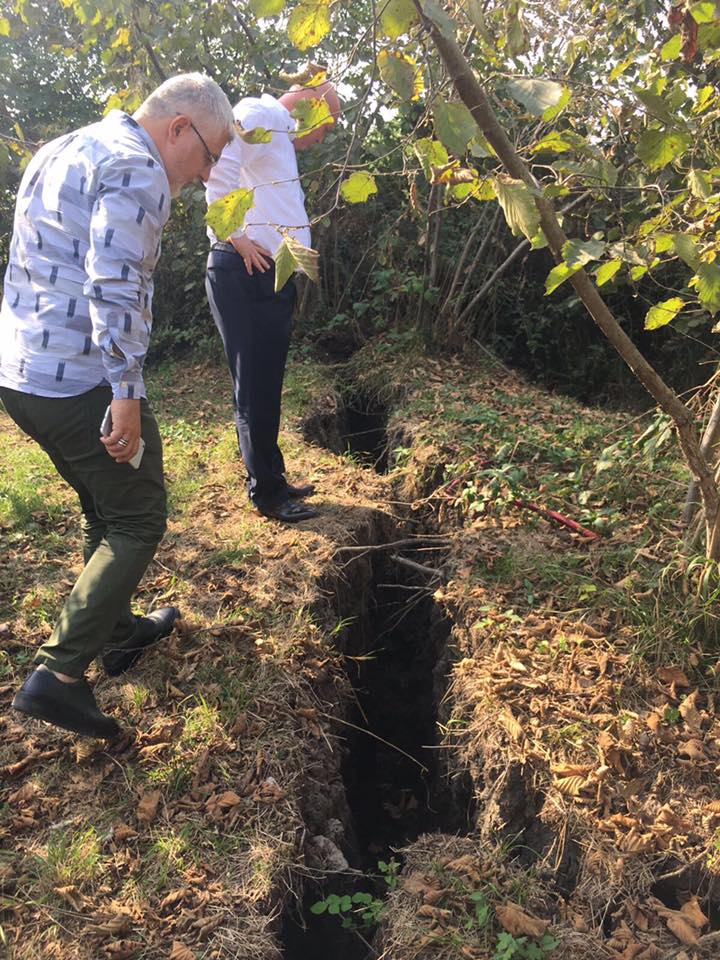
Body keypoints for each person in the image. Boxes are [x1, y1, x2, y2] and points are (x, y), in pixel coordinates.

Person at [0, 73, 235, 739]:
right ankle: (59, 674)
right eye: (210, 154)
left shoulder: (68, 145)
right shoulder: (139, 169)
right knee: (137, 514)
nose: (205, 173)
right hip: (81, 378)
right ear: (179, 128)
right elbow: (115, 282)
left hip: (22, 374)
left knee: (105, 504)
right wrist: (125, 392)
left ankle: (119, 631)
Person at [205, 81, 340, 523]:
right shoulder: (260, 114)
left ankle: (274, 479)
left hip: (270, 274)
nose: (322, 137)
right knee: (255, 383)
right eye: (326, 124)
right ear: (311, 107)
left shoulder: (279, 132)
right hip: (245, 270)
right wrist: (238, 239)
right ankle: (266, 493)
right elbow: (219, 176)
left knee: (268, 381)